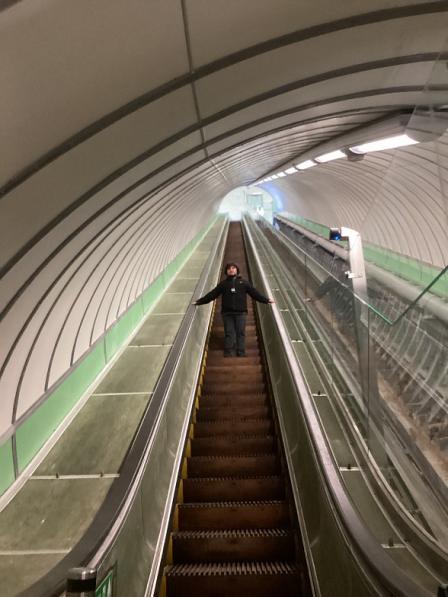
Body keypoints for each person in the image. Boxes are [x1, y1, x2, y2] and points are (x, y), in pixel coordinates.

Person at [194, 262, 274, 357]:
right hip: (227, 313)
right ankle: (228, 352)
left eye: (233, 268)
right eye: (229, 269)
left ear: (237, 270)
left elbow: (254, 294)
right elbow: (212, 295)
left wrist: (266, 300)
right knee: (229, 332)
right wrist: (199, 301)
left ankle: (241, 352)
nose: (231, 270)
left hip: (241, 313)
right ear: (226, 272)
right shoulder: (223, 284)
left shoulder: (244, 283)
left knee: (240, 332)